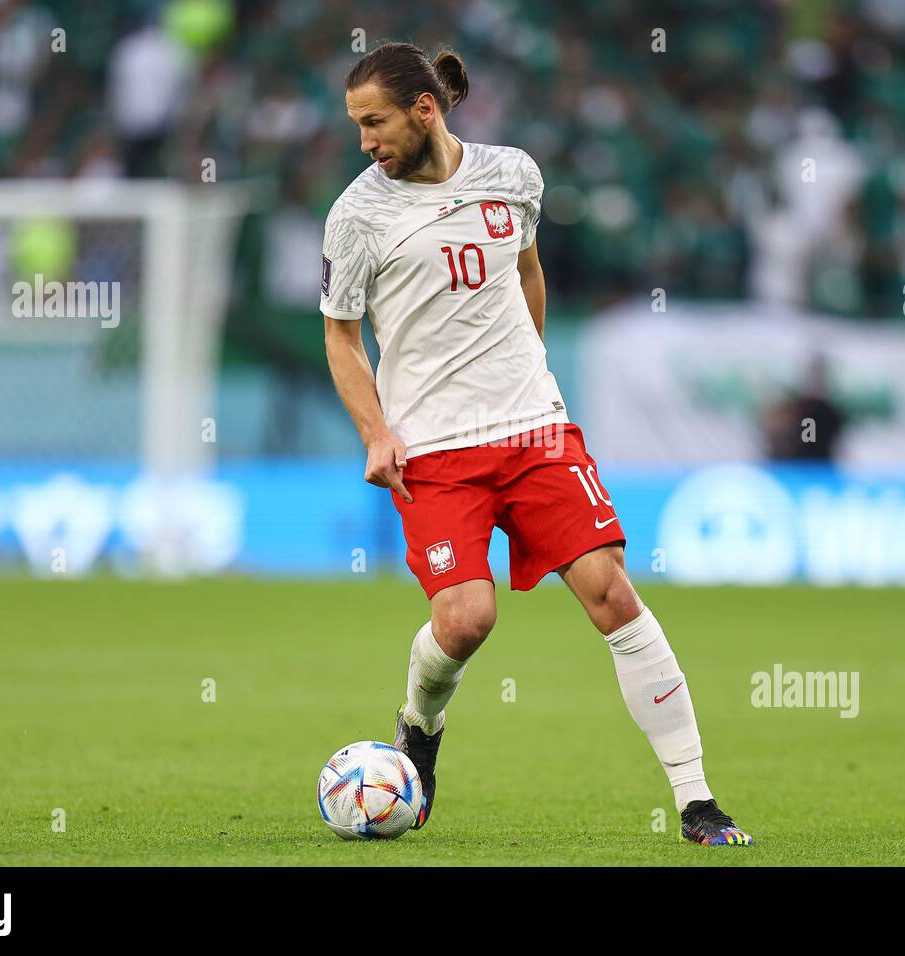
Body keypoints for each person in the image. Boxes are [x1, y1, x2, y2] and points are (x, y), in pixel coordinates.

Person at [320, 42, 751, 847]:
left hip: (533, 431)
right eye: (356, 126)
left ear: (425, 110)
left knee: (611, 592)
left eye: (374, 122)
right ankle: (420, 724)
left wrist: (532, 373)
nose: (365, 141)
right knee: (466, 619)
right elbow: (341, 338)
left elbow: (528, 271)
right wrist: (376, 433)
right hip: (435, 451)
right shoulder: (357, 216)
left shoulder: (513, 174)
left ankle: (697, 803)